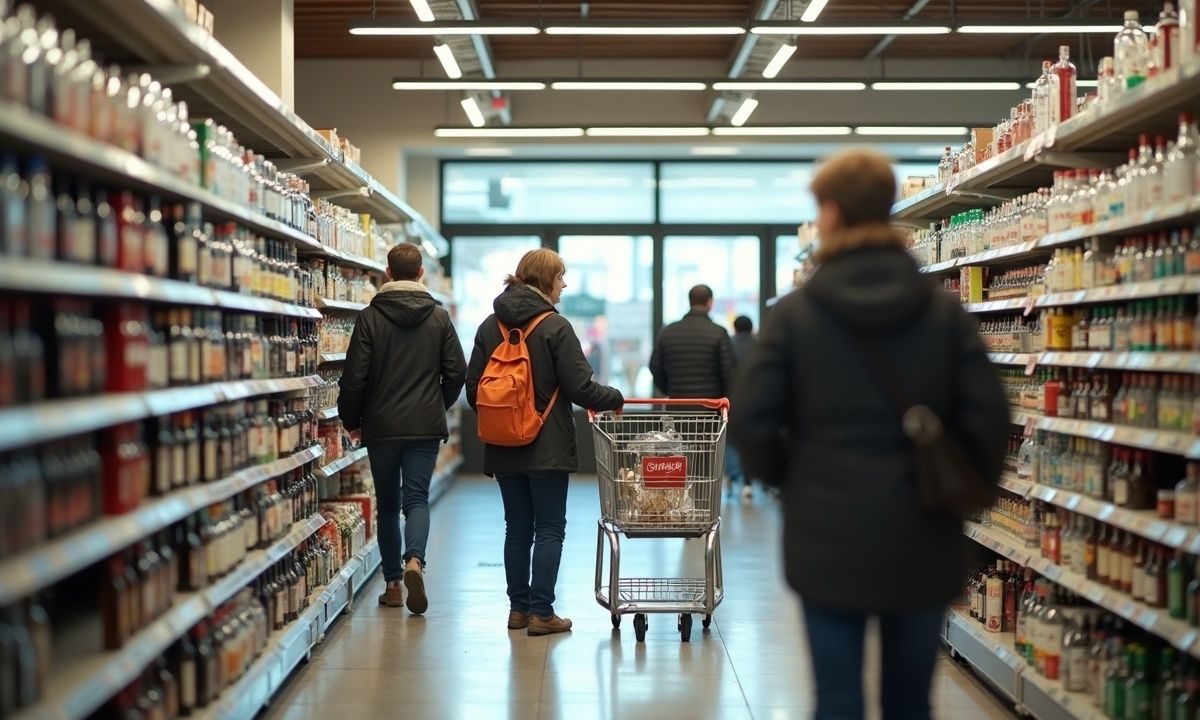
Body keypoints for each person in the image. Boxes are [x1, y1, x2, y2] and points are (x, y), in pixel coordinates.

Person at [729, 148, 1009, 720]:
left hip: (826, 531)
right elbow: (989, 418)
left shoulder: (796, 315)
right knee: (910, 702)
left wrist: (793, 478)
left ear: (831, 213)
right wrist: (962, 492)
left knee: (837, 700)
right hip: (923, 530)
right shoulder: (941, 312)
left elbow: (751, 419)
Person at [465, 248, 623, 636]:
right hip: (547, 444)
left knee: (516, 528)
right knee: (549, 528)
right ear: (546, 279)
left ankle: (518, 610)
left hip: (503, 445)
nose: (564, 285)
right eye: (560, 277)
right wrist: (614, 397)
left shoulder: (489, 326)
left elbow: (473, 391)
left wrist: (505, 417)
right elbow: (581, 387)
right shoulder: (555, 326)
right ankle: (542, 613)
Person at [338, 243, 467, 615]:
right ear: (422, 273)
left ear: (388, 273)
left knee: (388, 506)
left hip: (381, 427)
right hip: (424, 425)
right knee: (416, 500)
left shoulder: (369, 317)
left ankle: (393, 585)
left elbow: (354, 377)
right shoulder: (439, 318)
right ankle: (414, 561)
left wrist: (351, 419)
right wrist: (437, 403)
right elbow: (457, 371)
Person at [649, 284, 735, 402]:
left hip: (677, 404)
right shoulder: (719, 333)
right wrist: (721, 396)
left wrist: (669, 389)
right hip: (710, 406)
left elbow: (655, 367)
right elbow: (729, 372)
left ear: (690, 301)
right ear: (710, 303)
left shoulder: (668, 332)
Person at [727, 315, 756, 502]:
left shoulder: (728, 345)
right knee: (749, 441)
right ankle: (748, 482)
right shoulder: (760, 345)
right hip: (754, 399)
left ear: (735, 328)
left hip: (730, 399)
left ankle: (732, 477)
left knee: (730, 441)